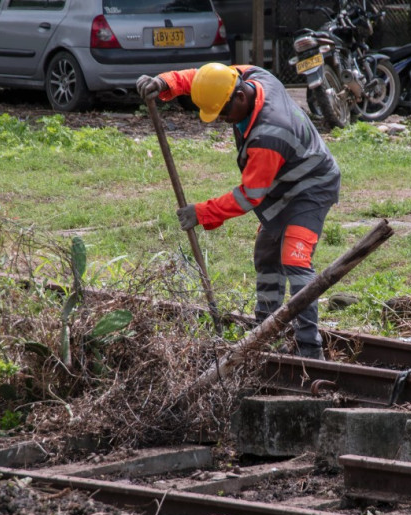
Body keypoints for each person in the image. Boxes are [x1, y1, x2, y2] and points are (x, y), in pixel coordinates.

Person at [136, 63, 340, 360]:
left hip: (312, 189)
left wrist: (202, 212)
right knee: (266, 254)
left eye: (222, 114)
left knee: (294, 259)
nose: (220, 120)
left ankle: (310, 348)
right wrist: (164, 81)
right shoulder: (252, 76)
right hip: (281, 186)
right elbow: (204, 78)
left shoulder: (270, 133)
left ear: (240, 99)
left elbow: (249, 196)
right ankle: (265, 333)